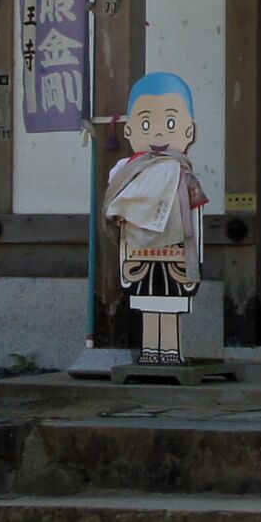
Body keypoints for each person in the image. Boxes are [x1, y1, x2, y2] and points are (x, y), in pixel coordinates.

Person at [104, 71, 212, 364]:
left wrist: (195, 253)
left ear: (189, 131)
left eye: (172, 123)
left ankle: (171, 350)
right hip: (140, 252)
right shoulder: (125, 173)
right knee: (148, 302)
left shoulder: (185, 177)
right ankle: (152, 349)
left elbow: (196, 219)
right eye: (147, 123)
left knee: (172, 302)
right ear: (129, 130)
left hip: (175, 251)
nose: (159, 133)